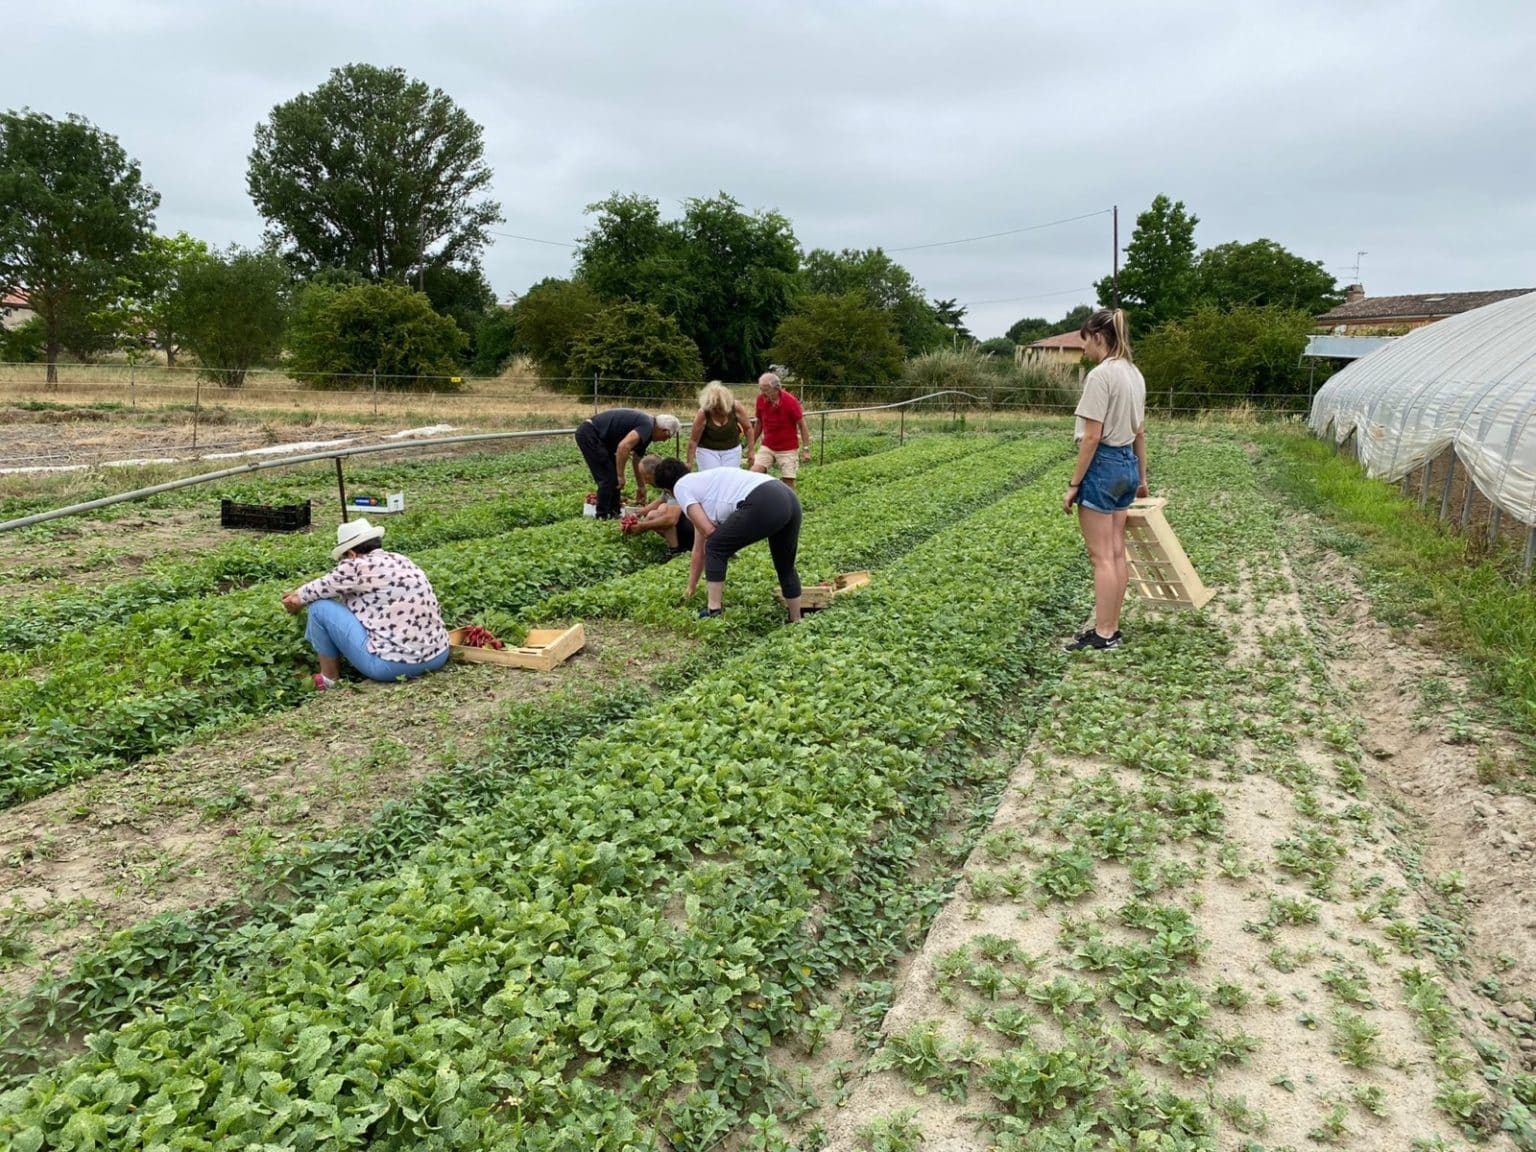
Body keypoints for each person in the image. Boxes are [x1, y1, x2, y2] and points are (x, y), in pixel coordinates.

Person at [1061, 307, 1148, 652]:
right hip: (1127, 463)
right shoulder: (1134, 374)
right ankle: (1111, 628)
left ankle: (1103, 632)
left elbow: (1092, 437)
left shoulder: (1100, 376)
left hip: (1104, 465)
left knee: (1102, 558)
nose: (1084, 350)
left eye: (1086, 342)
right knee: (1116, 552)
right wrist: (1140, 476)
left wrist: (1073, 484)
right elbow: (1140, 432)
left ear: (1099, 338)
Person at [281, 519, 451, 689]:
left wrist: (293, 600)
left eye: (343, 558)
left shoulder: (354, 566)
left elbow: (305, 596)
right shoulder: (400, 559)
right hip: (438, 655)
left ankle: (329, 679)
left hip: (392, 666)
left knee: (319, 608)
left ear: (351, 554)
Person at [651, 456, 803, 621]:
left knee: (715, 547)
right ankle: (795, 619)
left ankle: (713, 611)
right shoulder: (704, 484)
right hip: (787, 496)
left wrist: (725, 547)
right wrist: (691, 588)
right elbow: (698, 549)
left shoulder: (681, 487)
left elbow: (708, 532)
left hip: (763, 499)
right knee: (785, 565)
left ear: (668, 490)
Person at [574, 408, 681, 518]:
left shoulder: (648, 433)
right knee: (607, 479)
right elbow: (623, 446)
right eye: (667, 437)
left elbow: (637, 461)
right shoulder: (647, 426)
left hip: (600, 439)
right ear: (663, 430)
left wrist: (641, 487)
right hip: (590, 434)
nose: (664, 440)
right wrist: (620, 475)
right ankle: (602, 516)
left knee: (613, 478)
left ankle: (615, 513)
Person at [623, 455, 695, 555]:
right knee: (657, 511)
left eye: (645, 476)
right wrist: (638, 513)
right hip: (694, 524)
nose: (645, 481)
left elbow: (670, 519)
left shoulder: (676, 484)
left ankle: (679, 550)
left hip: (696, 529)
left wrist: (643, 526)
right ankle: (675, 550)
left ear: (654, 473)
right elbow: (662, 499)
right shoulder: (670, 479)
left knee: (660, 512)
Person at [750, 372, 811, 490]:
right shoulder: (760, 400)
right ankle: (761, 500)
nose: (763, 393)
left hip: (788, 448)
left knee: (788, 482)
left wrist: (806, 449)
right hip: (768, 446)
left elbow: (802, 425)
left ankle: (790, 507)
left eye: (766, 390)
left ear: (776, 388)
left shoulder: (790, 401)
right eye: (761, 390)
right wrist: (751, 446)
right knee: (754, 473)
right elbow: (759, 423)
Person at [687, 381, 754, 470]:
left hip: (732, 449)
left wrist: (751, 451)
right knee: (712, 478)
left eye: (721, 407)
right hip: (707, 450)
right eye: (715, 408)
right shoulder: (703, 413)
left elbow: (748, 428)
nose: (718, 411)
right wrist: (689, 464)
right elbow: (693, 441)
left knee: (729, 479)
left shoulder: (736, 407)